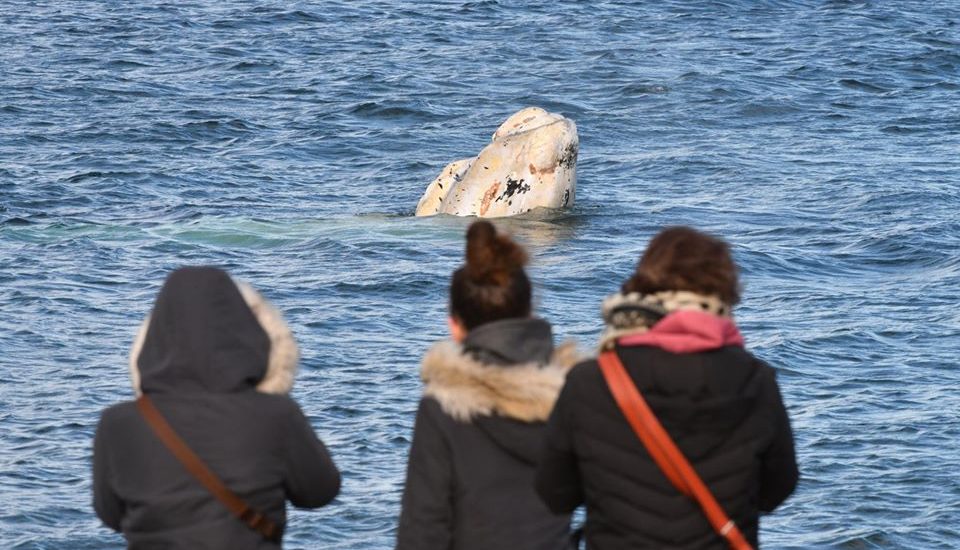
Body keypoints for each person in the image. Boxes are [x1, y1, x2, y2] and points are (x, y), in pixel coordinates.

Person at [535, 226, 798, 549]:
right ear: (724, 294)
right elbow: (778, 489)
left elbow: (554, 492)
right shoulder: (757, 380)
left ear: (645, 289)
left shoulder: (591, 380)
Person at [93, 266, 340, 548]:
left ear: (154, 338)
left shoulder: (119, 423)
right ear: (248, 336)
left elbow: (111, 514)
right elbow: (319, 492)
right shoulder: (276, 415)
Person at [397, 221, 576, 550]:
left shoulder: (443, 409)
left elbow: (422, 532)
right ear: (528, 310)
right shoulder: (575, 398)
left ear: (454, 324)